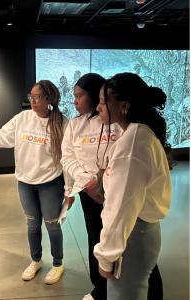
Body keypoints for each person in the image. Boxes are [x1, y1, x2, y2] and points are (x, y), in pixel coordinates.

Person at [0, 80, 72, 285]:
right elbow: (1, 138)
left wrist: (70, 189)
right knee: (32, 225)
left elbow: (68, 158)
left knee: (52, 225)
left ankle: (57, 263)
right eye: (31, 96)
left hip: (50, 183)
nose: (33, 101)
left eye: (37, 97)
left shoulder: (62, 123)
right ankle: (35, 260)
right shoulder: (22, 118)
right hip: (25, 183)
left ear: (49, 99)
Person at [93, 72, 171, 300]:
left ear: (124, 106)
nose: (98, 108)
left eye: (102, 102)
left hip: (132, 236)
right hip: (138, 233)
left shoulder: (133, 143)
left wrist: (107, 255)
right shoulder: (138, 133)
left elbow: (122, 209)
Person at [61, 73, 123, 300]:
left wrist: (103, 183)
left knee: (120, 236)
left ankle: (121, 284)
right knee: (95, 236)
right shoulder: (76, 125)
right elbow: (67, 156)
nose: (74, 101)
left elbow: (123, 157)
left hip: (116, 192)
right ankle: (100, 288)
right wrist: (84, 179)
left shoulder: (116, 122)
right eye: (74, 96)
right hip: (88, 192)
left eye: (79, 96)